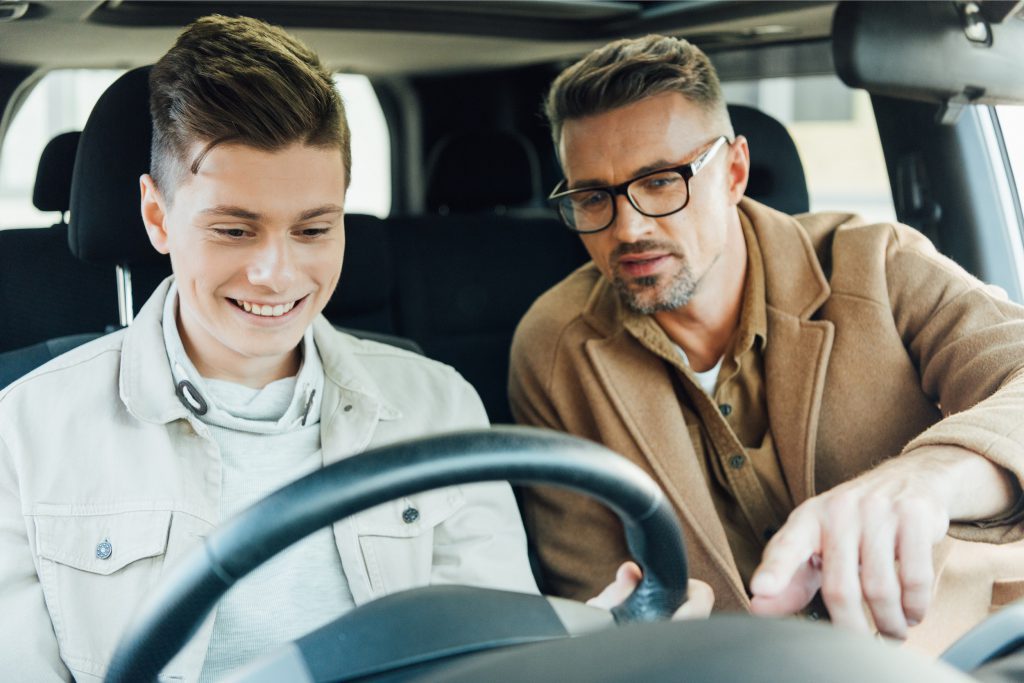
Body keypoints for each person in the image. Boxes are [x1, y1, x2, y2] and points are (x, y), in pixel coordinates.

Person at [0, 17, 709, 683]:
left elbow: (490, 657)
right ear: (157, 216)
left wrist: (589, 639)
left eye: (313, 229)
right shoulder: (25, 435)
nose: (277, 273)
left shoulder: (438, 407)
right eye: (234, 230)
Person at [509, 34, 1024, 652]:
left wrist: (926, 479)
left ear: (734, 172)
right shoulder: (554, 348)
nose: (629, 227)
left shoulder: (877, 265)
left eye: (661, 182)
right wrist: (645, 636)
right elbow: (593, 593)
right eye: (594, 197)